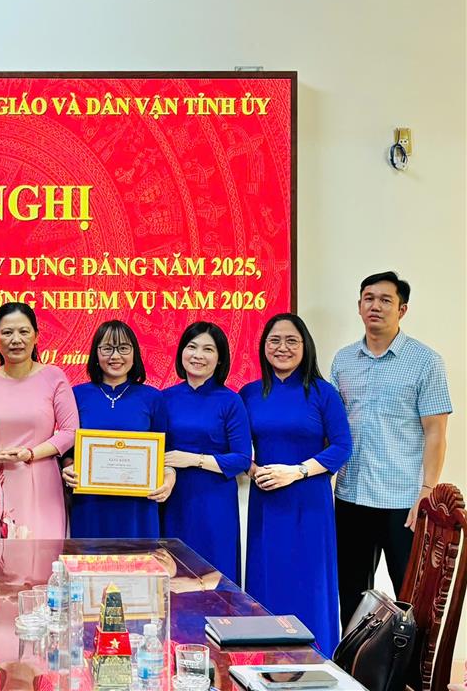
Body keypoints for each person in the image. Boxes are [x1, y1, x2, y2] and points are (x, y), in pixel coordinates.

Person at [330, 271, 451, 626]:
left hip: (403, 502)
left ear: (402, 309)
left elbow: (436, 432)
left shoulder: (425, 361)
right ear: (359, 306)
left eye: (386, 300)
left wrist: (426, 492)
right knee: (351, 595)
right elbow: (332, 427)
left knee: (410, 599)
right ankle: (354, 659)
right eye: (369, 298)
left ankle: (411, 664)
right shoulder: (343, 360)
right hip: (351, 496)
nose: (376, 306)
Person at [241, 313, 352, 653]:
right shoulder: (249, 393)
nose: (282, 347)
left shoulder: (323, 392)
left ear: (306, 346)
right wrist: (253, 470)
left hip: (309, 502)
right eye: (274, 340)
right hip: (267, 502)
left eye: (292, 340)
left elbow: (342, 447)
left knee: (310, 583)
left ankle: (318, 658)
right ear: (263, 346)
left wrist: (297, 471)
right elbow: (238, 448)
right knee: (267, 579)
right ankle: (265, 661)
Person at [0, 302, 78, 540]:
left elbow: (70, 431)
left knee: (43, 552)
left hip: (42, 478)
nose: (16, 340)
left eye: (23, 331)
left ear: (36, 336)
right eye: (7, 332)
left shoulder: (54, 376)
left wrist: (30, 453)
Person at [160, 322, 251, 582]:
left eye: (208, 349)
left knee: (213, 575)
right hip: (172, 498)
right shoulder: (163, 398)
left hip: (214, 502)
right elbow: (153, 449)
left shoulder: (230, 400)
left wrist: (193, 460)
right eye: (192, 347)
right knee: (170, 576)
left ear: (220, 358)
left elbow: (242, 458)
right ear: (181, 352)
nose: (198, 355)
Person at [67, 320, 175, 538]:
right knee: (90, 559)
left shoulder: (152, 397)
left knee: (138, 559)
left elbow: (165, 451)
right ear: (96, 353)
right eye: (107, 348)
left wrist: (169, 477)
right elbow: (68, 448)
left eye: (123, 348)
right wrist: (68, 467)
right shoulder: (76, 395)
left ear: (134, 353)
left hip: (138, 507)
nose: (115, 356)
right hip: (90, 505)